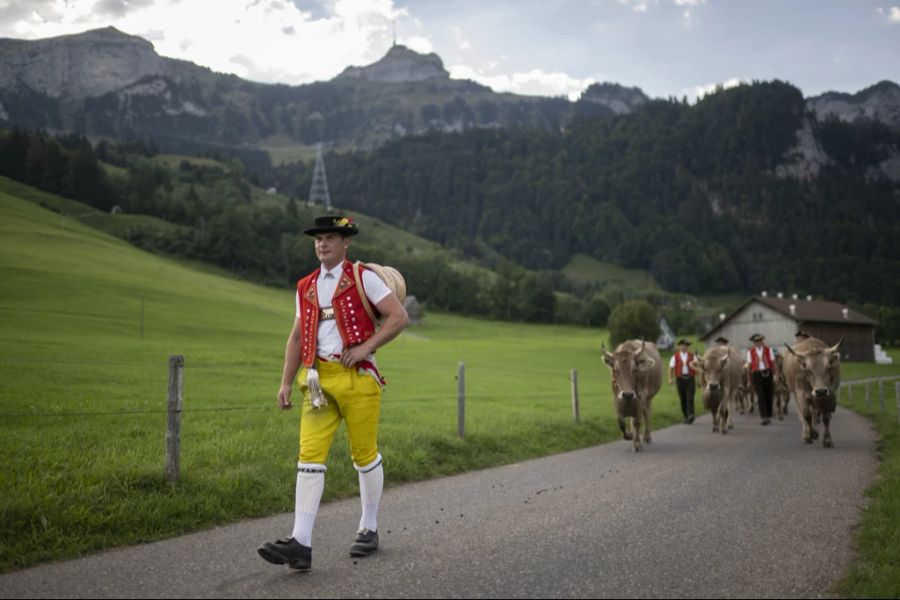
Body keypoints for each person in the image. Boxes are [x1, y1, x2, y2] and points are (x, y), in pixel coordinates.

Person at [258, 215, 409, 571]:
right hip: (317, 381)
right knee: (309, 457)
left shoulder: (363, 278)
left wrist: (366, 347)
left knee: (363, 455)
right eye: (318, 239)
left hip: (358, 377)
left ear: (345, 243)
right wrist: (284, 381)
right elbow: (296, 337)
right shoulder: (305, 286)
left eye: (329, 238)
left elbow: (398, 316)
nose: (322, 244)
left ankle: (369, 528)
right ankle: (301, 543)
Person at [746, 333, 778, 425]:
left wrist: (776, 375)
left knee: (769, 396)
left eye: (759, 341)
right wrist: (749, 380)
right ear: (754, 343)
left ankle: (768, 415)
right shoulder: (750, 352)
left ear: (762, 341)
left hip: (768, 373)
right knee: (761, 396)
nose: (758, 343)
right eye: (756, 342)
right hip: (757, 375)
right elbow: (749, 367)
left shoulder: (768, 350)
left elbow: (774, 362)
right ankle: (764, 417)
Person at [668, 338, 697, 424]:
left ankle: (691, 414)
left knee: (690, 397)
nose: (684, 347)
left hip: (690, 378)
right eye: (682, 346)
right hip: (680, 379)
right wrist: (670, 379)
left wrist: (699, 379)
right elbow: (671, 368)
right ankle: (686, 416)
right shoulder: (675, 357)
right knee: (683, 398)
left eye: (686, 346)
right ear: (679, 347)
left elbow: (697, 367)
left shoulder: (692, 356)